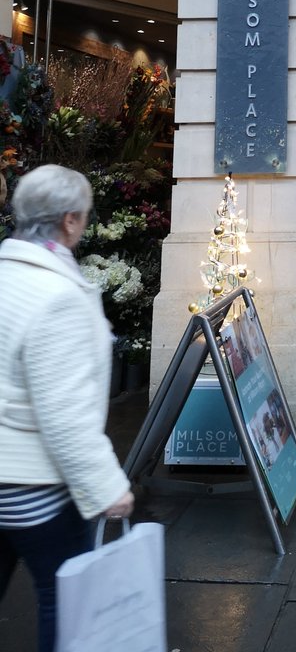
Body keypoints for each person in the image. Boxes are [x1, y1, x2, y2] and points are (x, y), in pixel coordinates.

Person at [0, 164, 133, 652]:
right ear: (71, 221)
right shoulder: (55, 295)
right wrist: (108, 488)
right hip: (31, 486)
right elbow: (64, 415)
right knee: (66, 604)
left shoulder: (7, 273)